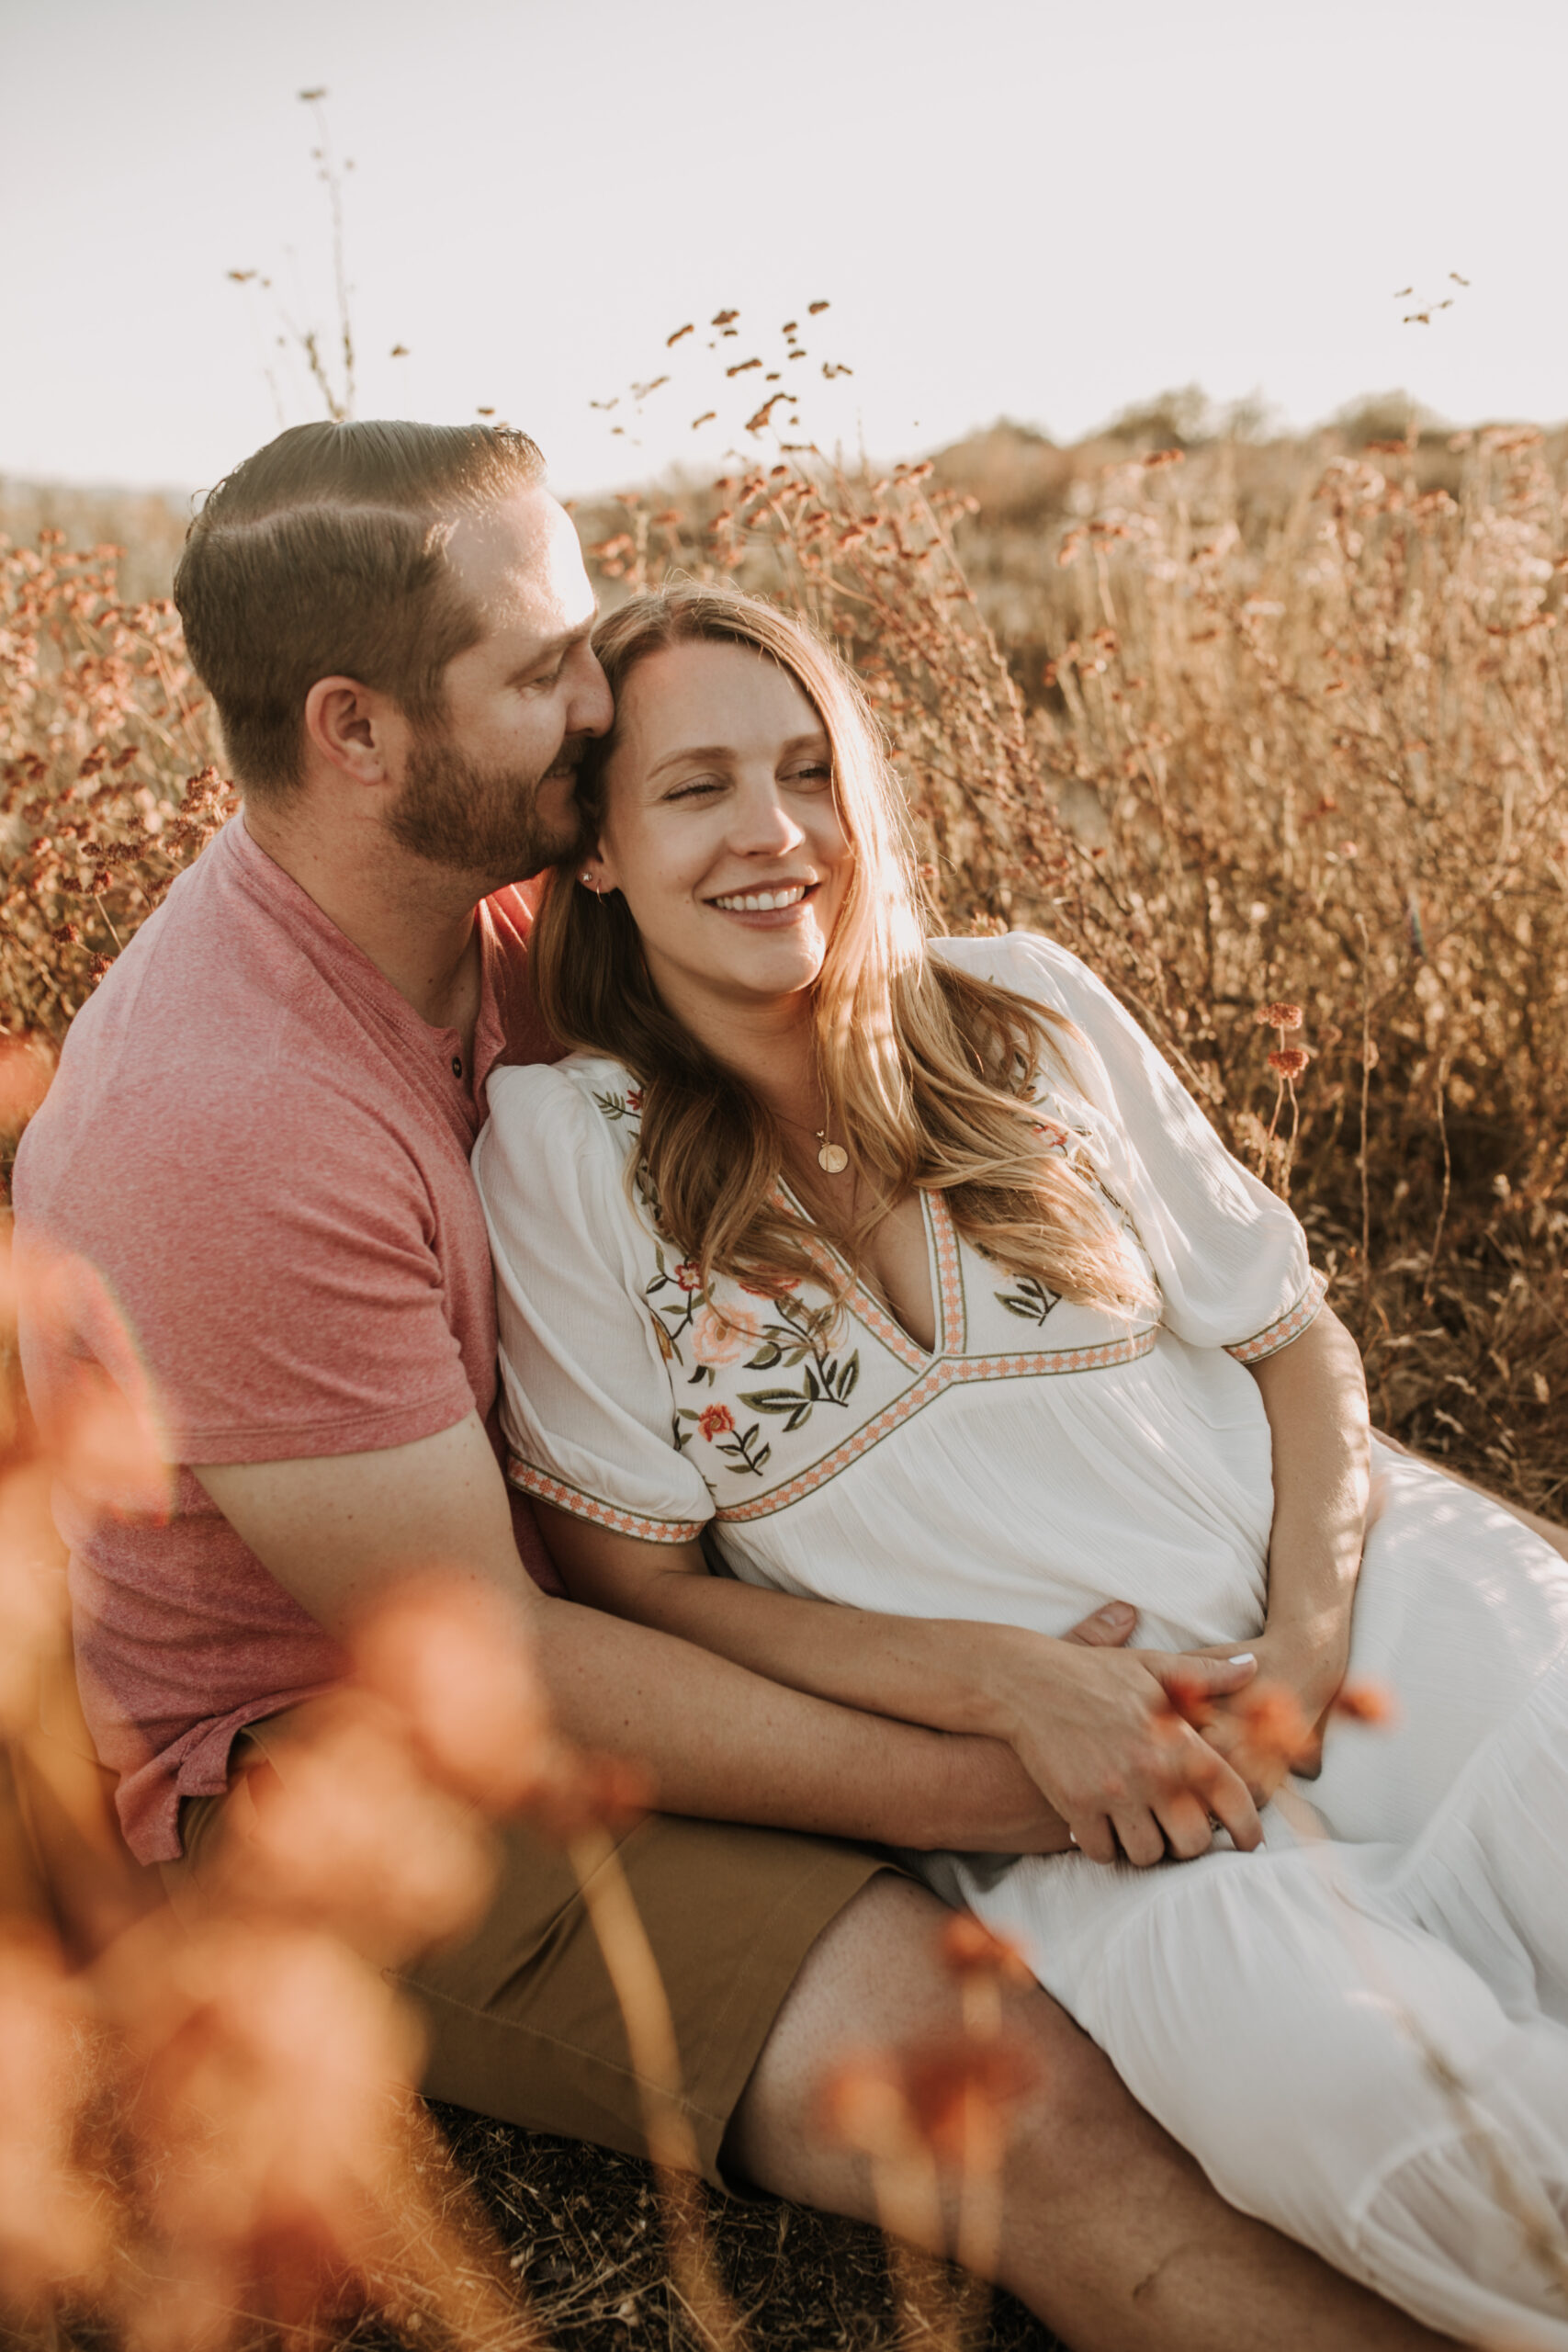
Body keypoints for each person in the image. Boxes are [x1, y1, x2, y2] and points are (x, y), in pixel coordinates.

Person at [12, 419, 1456, 2352]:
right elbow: (494, 1674)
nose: (595, 697)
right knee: (1012, 2090)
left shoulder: (509, 900)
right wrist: (1051, 1771)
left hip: (639, 1569)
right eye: (539, 670)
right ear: (354, 732)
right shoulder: (231, 1123)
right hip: (340, 1756)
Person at [475, 579, 1568, 2350]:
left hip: (1360, 1610)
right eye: (694, 790)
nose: (776, 834)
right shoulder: (564, 1150)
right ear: (591, 850)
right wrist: (1015, 1691)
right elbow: (631, 1578)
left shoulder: (1020, 1008)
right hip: (1079, 1800)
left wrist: (1301, 1646)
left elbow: (1294, 1343)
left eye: (811, 769)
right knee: (1398, 2136)